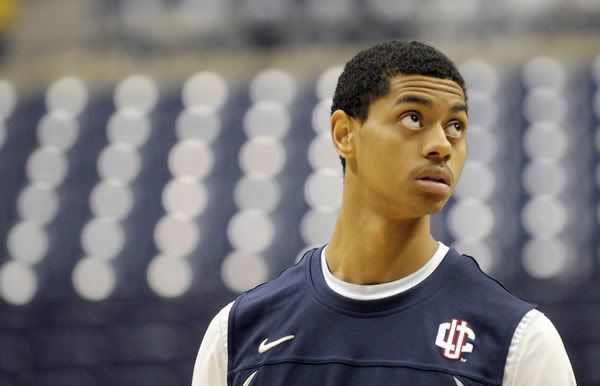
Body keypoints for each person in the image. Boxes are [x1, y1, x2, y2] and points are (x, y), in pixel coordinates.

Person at [191, 40, 576, 385]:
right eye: (413, 118)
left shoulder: (518, 341)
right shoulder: (236, 334)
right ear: (344, 134)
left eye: (456, 126)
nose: (442, 145)